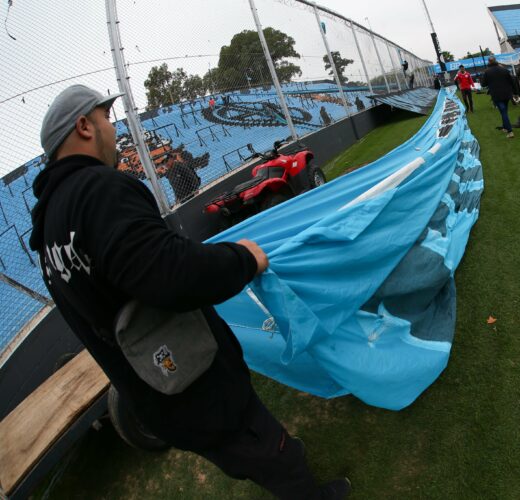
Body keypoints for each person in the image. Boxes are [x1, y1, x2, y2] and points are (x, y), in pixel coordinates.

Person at [29, 85, 350, 499]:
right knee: (268, 448)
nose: (113, 129)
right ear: (84, 126)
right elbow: (170, 272)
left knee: (239, 452)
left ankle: (270, 460)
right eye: (107, 119)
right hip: (198, 381)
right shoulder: (99, 189)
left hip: (154, 393)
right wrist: (244, 259)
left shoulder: (47, 232)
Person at [481, 57, 515, 138]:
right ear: (496, 61)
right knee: (504, 111)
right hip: (506, 94)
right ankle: (505, 127)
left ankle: (510, 131)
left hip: (496, 95)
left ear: (489, 62)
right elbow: (512, 81)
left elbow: (483, 84)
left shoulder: (487, 71)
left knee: (503, 112)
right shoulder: (504, 69)